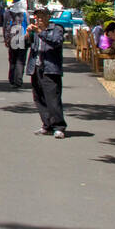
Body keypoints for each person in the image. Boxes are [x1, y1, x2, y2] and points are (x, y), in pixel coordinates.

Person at [26, 7, 67, 138]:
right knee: (39, 98)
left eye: (42, 16)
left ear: (48, 17)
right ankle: (47, 124)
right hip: (36, 67)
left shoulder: (56, 29)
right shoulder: (35, 30)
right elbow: (26, 45)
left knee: (53, 99)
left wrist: (40, 32)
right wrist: (28, 35)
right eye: (37, 17)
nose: (39, 20)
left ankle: (59, 126)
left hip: (50, 68)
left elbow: (56, 42)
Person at [5, 8, 26, 88]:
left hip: (13, 37)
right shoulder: (25, 13)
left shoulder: (9, 13)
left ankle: (12, 79)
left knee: (13, 60)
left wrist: (6, 38)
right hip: (22, 38)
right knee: (20, 60)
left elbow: (6, 26)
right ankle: (18, 80)